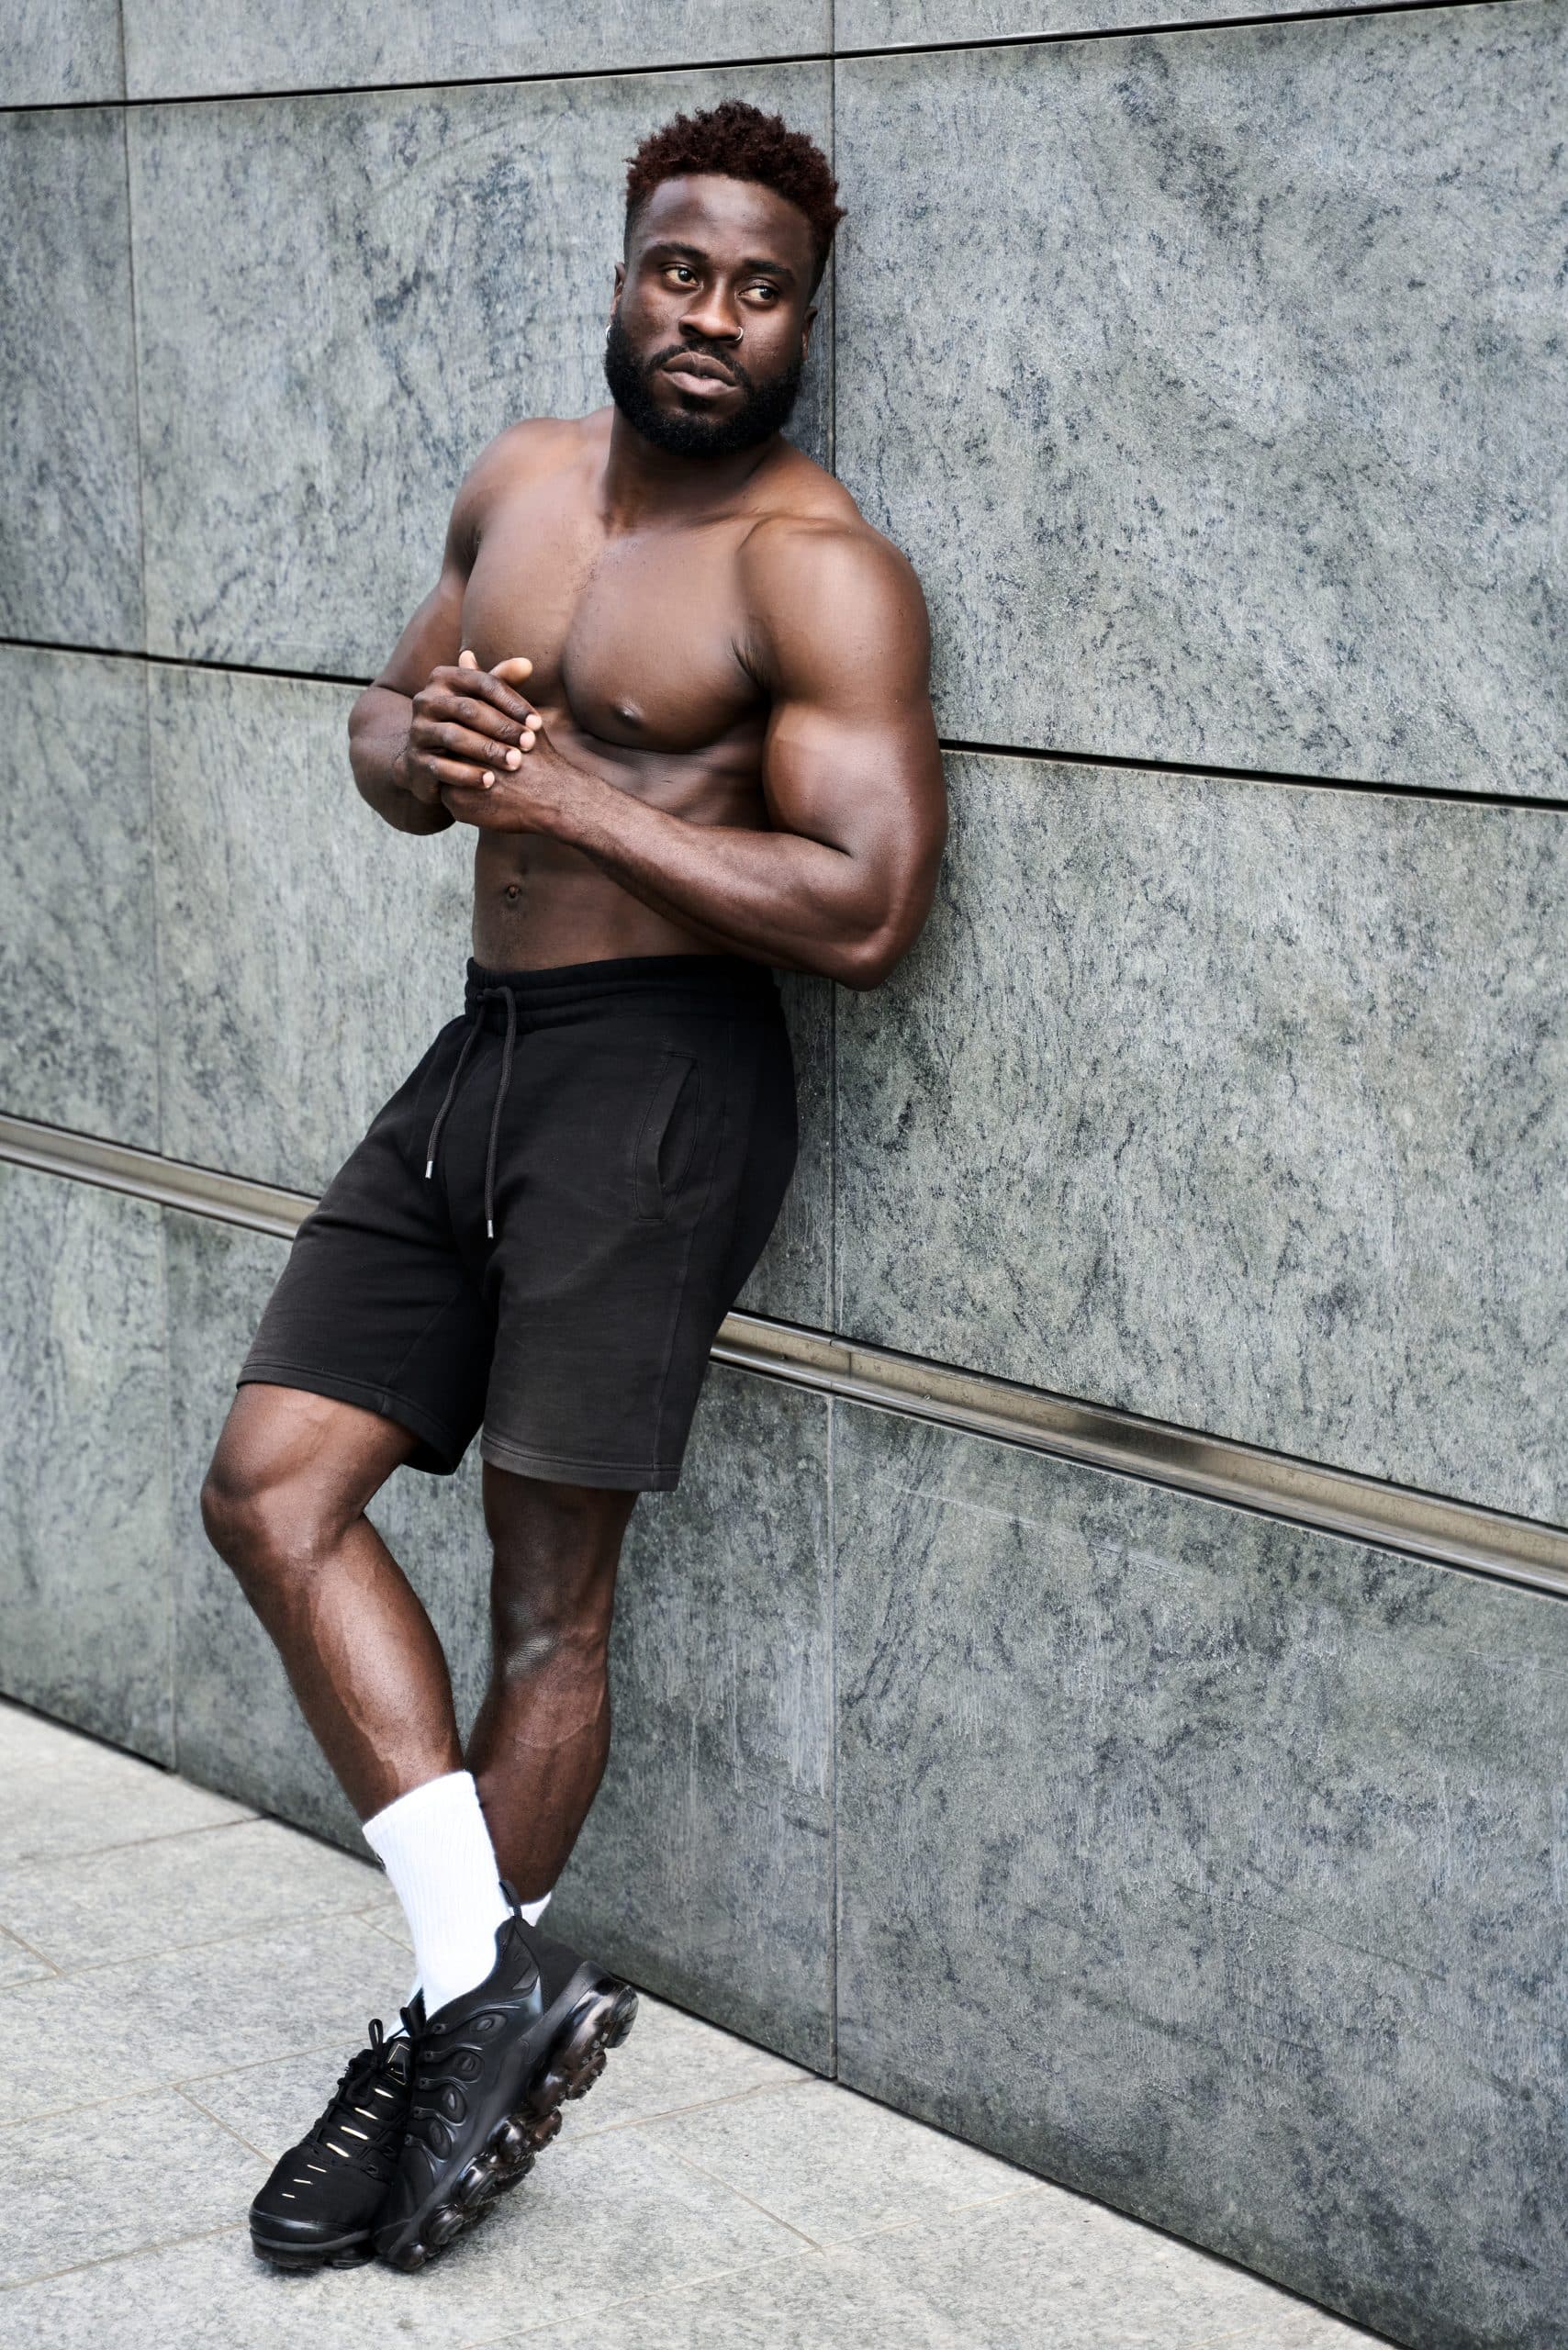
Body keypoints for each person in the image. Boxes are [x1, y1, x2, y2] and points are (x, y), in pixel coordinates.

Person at [200, 97, 946, 2275]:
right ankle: (485, 1990)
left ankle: (420, 2056)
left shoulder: (809, 564)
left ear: (806, 318)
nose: (712, 316)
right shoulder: (520, 481)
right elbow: (386, 722)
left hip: (660, 1084)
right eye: (680, 270)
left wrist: (589, 805)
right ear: (623, 269)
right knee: (269, 1484)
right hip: (479, 1054)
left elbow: (867, 900)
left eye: (760, 288)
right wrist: (416, 756)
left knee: (548, 1595)